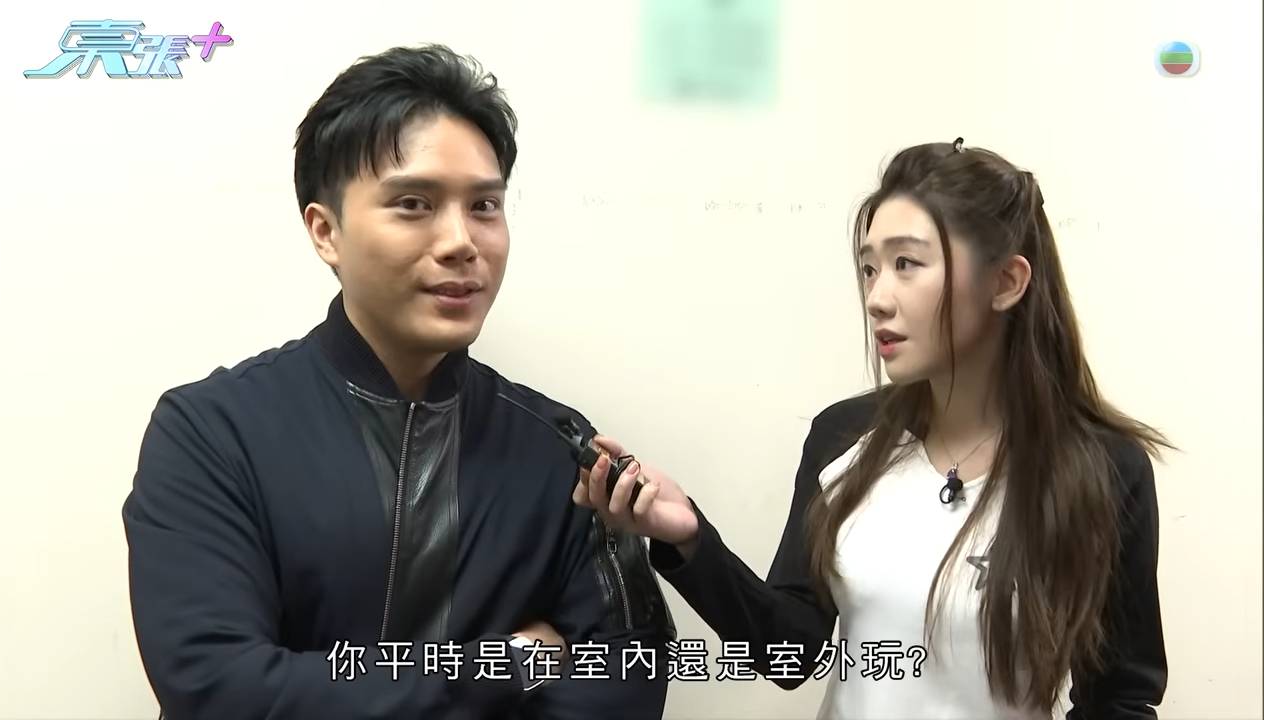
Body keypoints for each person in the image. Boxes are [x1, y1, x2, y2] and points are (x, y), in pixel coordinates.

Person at [122, 44, 673, 720]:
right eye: (414, 204)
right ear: (326, 231)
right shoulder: (212, 432)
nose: (461, 241)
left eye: (485, 206)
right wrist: (505, 665)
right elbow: (220, 689)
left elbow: (627, 681)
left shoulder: (561, 448)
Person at [576, 139, 1170, 718]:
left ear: (1006, 282)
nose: (877, 298)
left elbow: (1120, 696)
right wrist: (689, 539)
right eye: (868, 268)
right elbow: (791, 652)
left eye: (906, 264)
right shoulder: (842, 438)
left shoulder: (1102, 468)